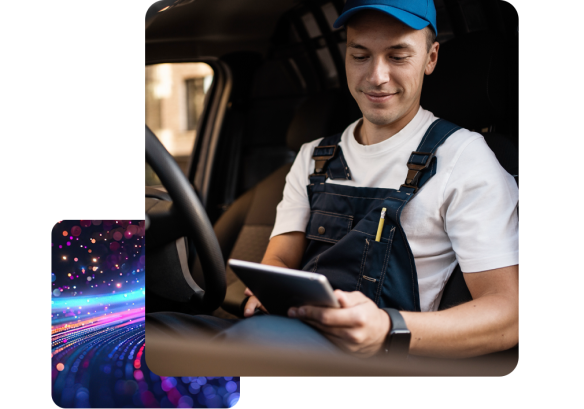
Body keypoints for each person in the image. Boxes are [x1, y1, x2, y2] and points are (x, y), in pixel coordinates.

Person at [147, 0, 519, 361]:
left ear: (431, 58)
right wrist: (270, 283)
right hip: (286, 334)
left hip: (374, 358)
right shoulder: (313, 157)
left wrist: (387, 329)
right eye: (360, 55)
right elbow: (281, 253)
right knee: (146, 331)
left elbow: (508, 317)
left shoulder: (464, 158)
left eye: (398, 55)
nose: (376, 76)